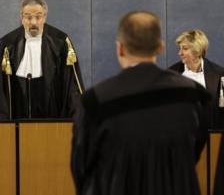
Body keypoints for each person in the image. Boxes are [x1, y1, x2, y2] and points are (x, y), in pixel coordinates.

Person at [71, 11, 210, 195]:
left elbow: (82, 165)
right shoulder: (192, 94)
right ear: (159, 47)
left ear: (120, 48)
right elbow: (195, 149)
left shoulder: (95, 100)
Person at [0, 0, 84, 119]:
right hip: (18, 107)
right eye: (28, 17)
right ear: (21, 18)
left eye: (38, 17)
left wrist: (78, 114)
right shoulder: (8, 44)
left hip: (51, 108)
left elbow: (71, 86)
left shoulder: (60, 42)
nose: (33, 22)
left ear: (45, 17)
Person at [169, 30, 224, 129]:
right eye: (180, 48)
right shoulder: (172, 73)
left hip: (210, 136)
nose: (179, 53)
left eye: (184, 49)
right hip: (181, 133)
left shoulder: (219, 74)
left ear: (197, 50)